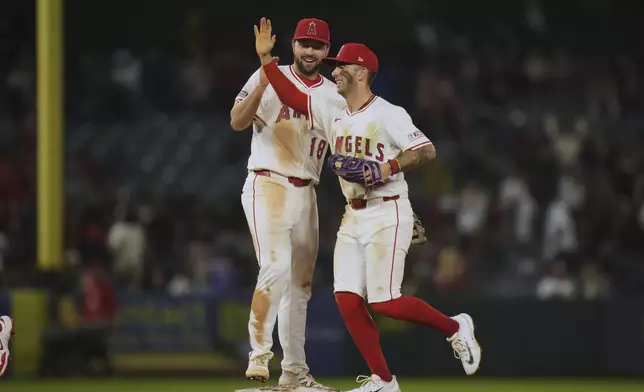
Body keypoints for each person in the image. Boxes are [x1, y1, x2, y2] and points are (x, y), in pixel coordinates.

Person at [254, 18, 482, 392]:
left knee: (386, 301)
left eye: (341, 66)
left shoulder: (388, 113)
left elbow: (425, 150)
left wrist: (386, 167)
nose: (335, 72)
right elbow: (293, 97)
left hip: (387, 208)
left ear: (361, 72)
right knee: (346, 297)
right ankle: (384, 380)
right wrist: (266, 62)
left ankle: (455, 326)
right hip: (353, 215)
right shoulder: (334, 112)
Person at [230, 17, 344, 388]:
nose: (309, 51)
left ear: (327, 51)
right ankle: (259, 354)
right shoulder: (268, 74)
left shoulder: (333, 95)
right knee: (275, 266)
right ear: (293, 45)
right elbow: (236, 120)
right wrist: (264, 76)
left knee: (300, 285)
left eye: (317, 46)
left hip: (306, 190)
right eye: (303, 44)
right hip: (269, 181)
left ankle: (295, 373)